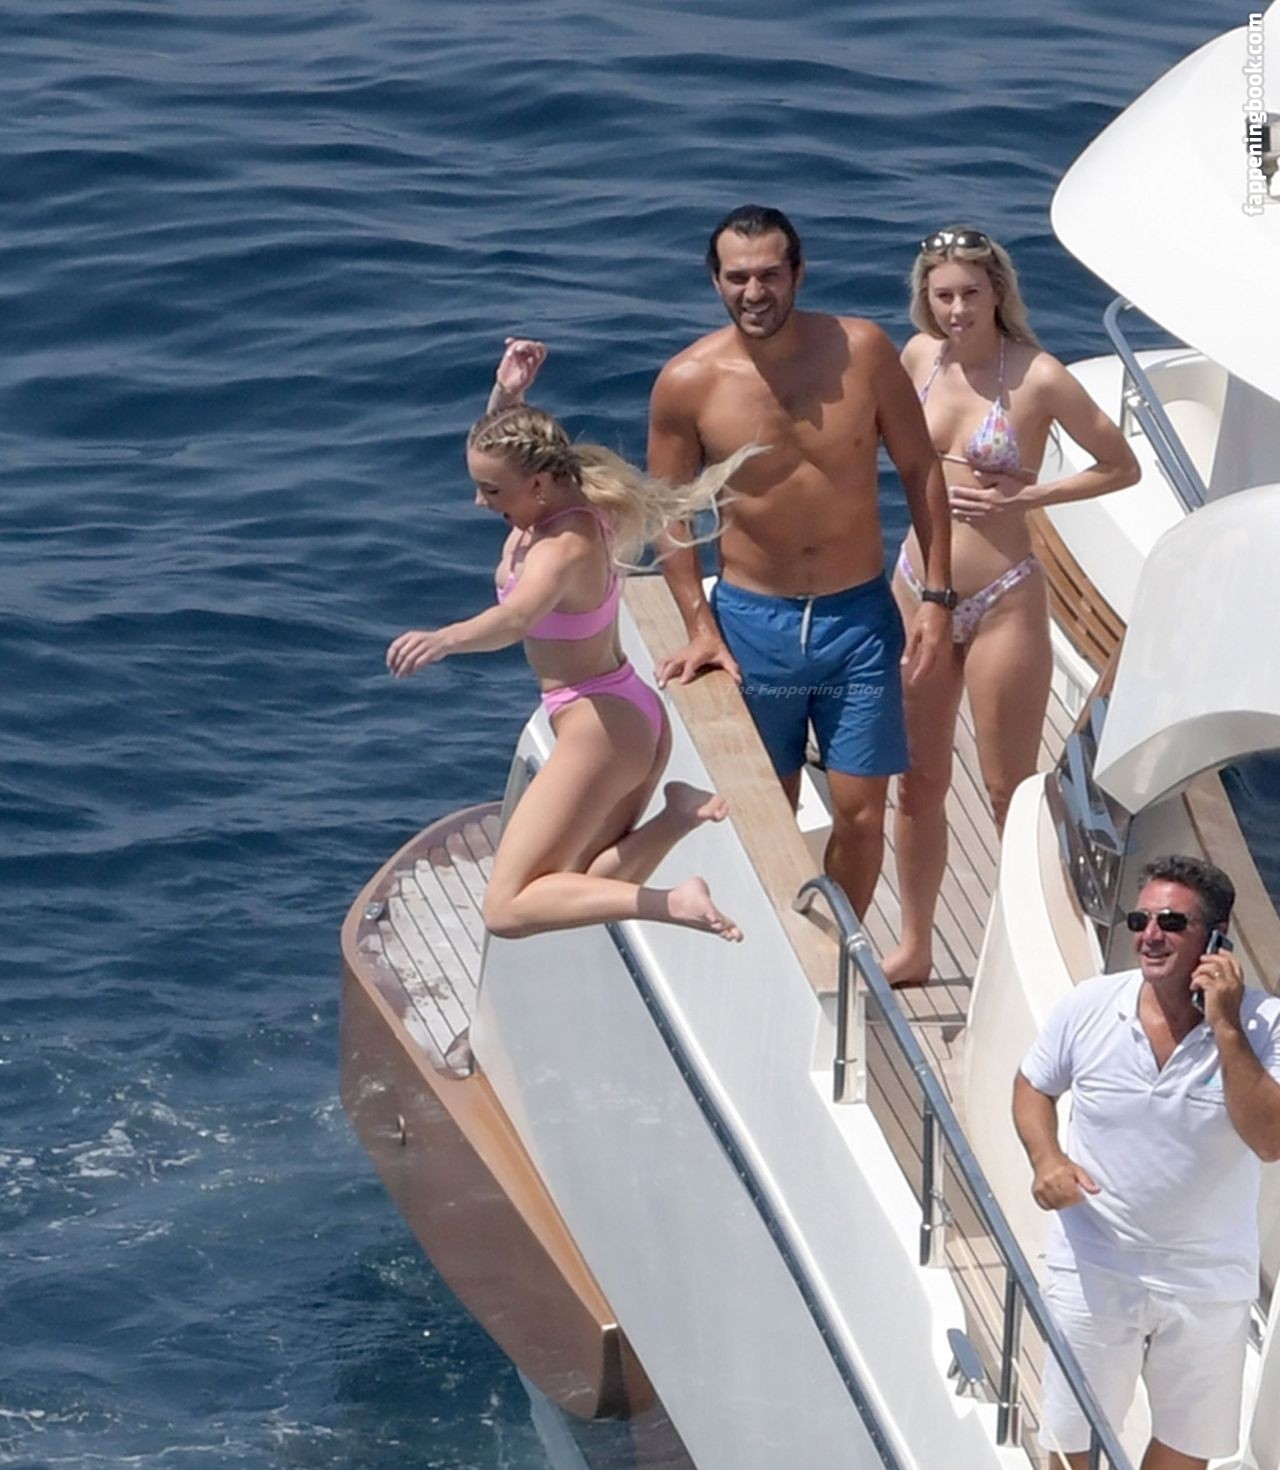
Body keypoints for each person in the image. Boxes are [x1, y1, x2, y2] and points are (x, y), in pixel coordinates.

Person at [387, 340, 755, 942]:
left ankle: (674, 901)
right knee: (573, 886)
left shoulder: (561, 547)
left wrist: (443, 638)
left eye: (491, 491)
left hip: (600, 728)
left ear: (536, 485)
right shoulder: (567, 499)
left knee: (506, 909)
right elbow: (509, 452)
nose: (480, 501)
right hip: (621, 713)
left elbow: (517, 618)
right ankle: (678, 817)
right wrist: (507, 396)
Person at [647, 204, 953, 921]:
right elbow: (669, 512)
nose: (755, 292)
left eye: (769, 275)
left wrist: (938, 598)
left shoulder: (862, 350)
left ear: (798, 273)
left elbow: (920, 469)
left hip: (858, 620)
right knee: (768, 808)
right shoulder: (688, 381)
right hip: (754, 624)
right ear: (716, 281)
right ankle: (776, 941)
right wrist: (700, 625)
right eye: (738, 278)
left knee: (862, 814)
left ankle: (839, 949)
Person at [1013, 855, 1280, 1470]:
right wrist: (1046, 1159)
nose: (1151, 935)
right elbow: (1033, 1087)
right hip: (1095, 1260)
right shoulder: (1091, 1006)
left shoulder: (1264, 1027)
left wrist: (1225, 1027)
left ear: (1216, 938)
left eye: (1172, 922)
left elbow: (1268, 1138)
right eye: (1141, 920)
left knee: (1189, 1437)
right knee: (1072, 1429)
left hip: (1208, 1276)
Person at [885, 226, 1140, 985]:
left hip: (1002, 597)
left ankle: (1026, 954)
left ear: (997, 291)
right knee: (917, 780)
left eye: (970, 293)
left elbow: (1119, 466)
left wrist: (1030, 494)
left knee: (1010, 791)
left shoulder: (1039, 376)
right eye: (943, 295)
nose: (957, 309)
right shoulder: (917, 358)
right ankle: (915, 944)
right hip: (917, 586)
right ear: (925, 298)